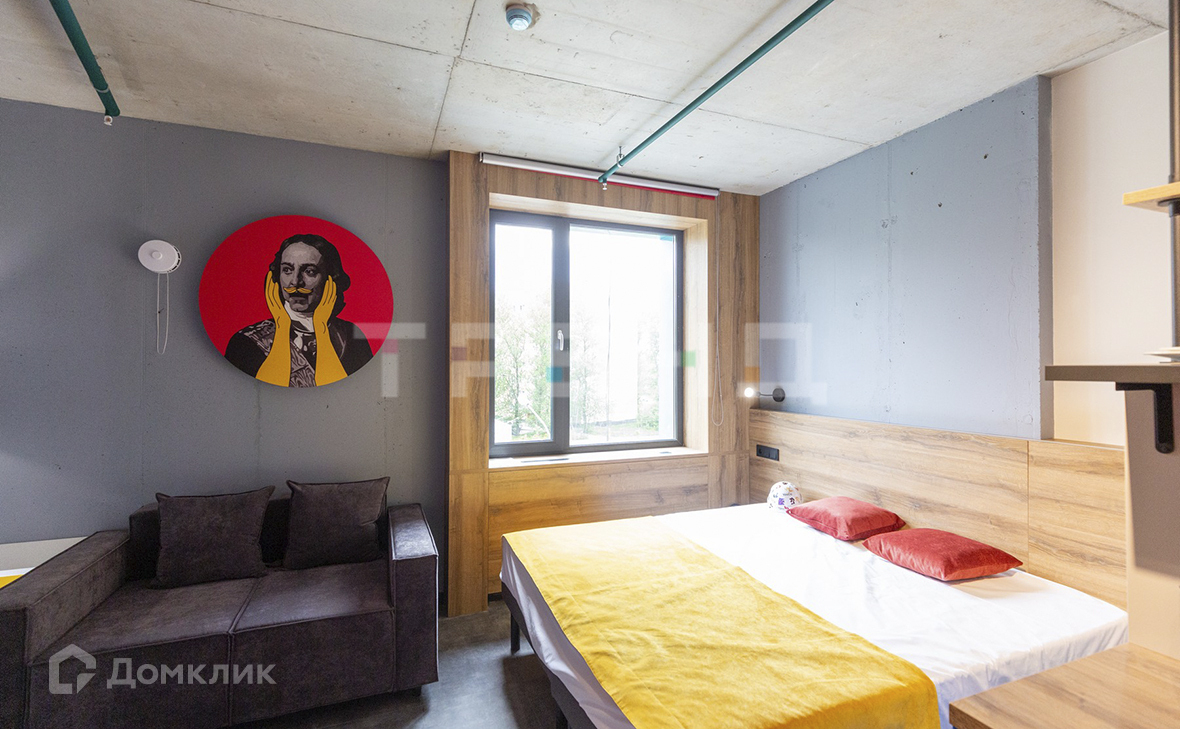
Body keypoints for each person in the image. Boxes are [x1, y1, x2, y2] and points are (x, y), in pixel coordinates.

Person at [224, 233, 373, 387]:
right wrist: (282, 325)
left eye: (309, 271)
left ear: (330, 279)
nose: (295, 282)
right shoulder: (245, 343)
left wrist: (321, 328)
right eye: (287, 270)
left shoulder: (351, 336)